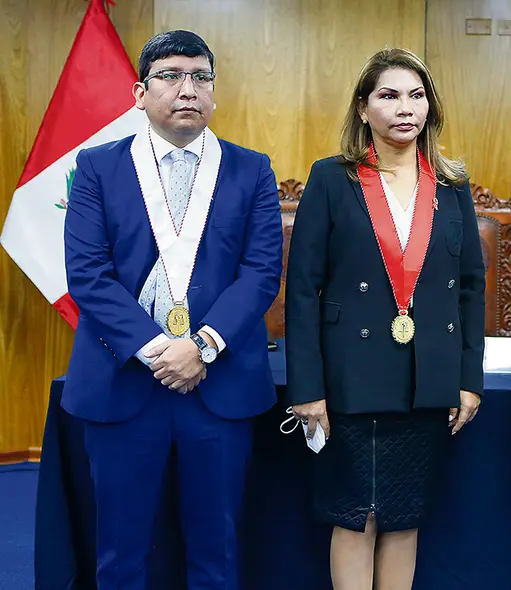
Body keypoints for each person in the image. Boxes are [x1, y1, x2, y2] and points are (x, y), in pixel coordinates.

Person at [61, 30, 283, 589]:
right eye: (170, 76)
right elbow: (88, 274)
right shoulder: (97, 167)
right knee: (120, 552)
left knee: (218, 551)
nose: (188, 89)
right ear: (139, 93)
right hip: (124, 380)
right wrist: (163, 351)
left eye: (201, 77)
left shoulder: (250, 169)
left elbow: (260, 274)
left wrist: (201, 346)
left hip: (217, 383)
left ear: (214, 91)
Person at [284, 48, 486, 590]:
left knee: (404, 514)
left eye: (416, 96)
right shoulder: (331, 178)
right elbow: (302, 290)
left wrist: (469, 380)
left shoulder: (452, 183)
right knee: (357, 514)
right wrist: (307, 387)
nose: (405, 108)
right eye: (389, 95)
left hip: (428, 379)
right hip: (350, 379)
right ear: (363, 107)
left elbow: (470, 286)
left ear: (431, 108)